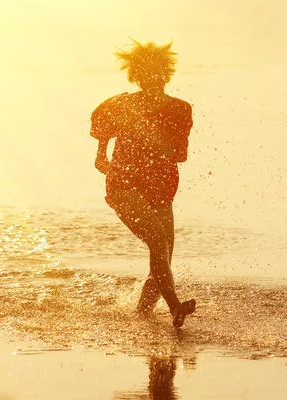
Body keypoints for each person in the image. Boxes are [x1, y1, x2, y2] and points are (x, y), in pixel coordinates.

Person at [90, 39, 195, 328]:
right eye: (146, 72)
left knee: (164, 254)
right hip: (124, 187)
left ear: (166, 73)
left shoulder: (180, 109)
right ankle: (175, 306)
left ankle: (143, 316)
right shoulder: (118, 106)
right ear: (136, 75)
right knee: (158, 242)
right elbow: (100, 160)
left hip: (161, 188)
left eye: (158, 71)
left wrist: (154, 142)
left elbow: (181, 155)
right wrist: (113, 169)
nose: (153, 78)